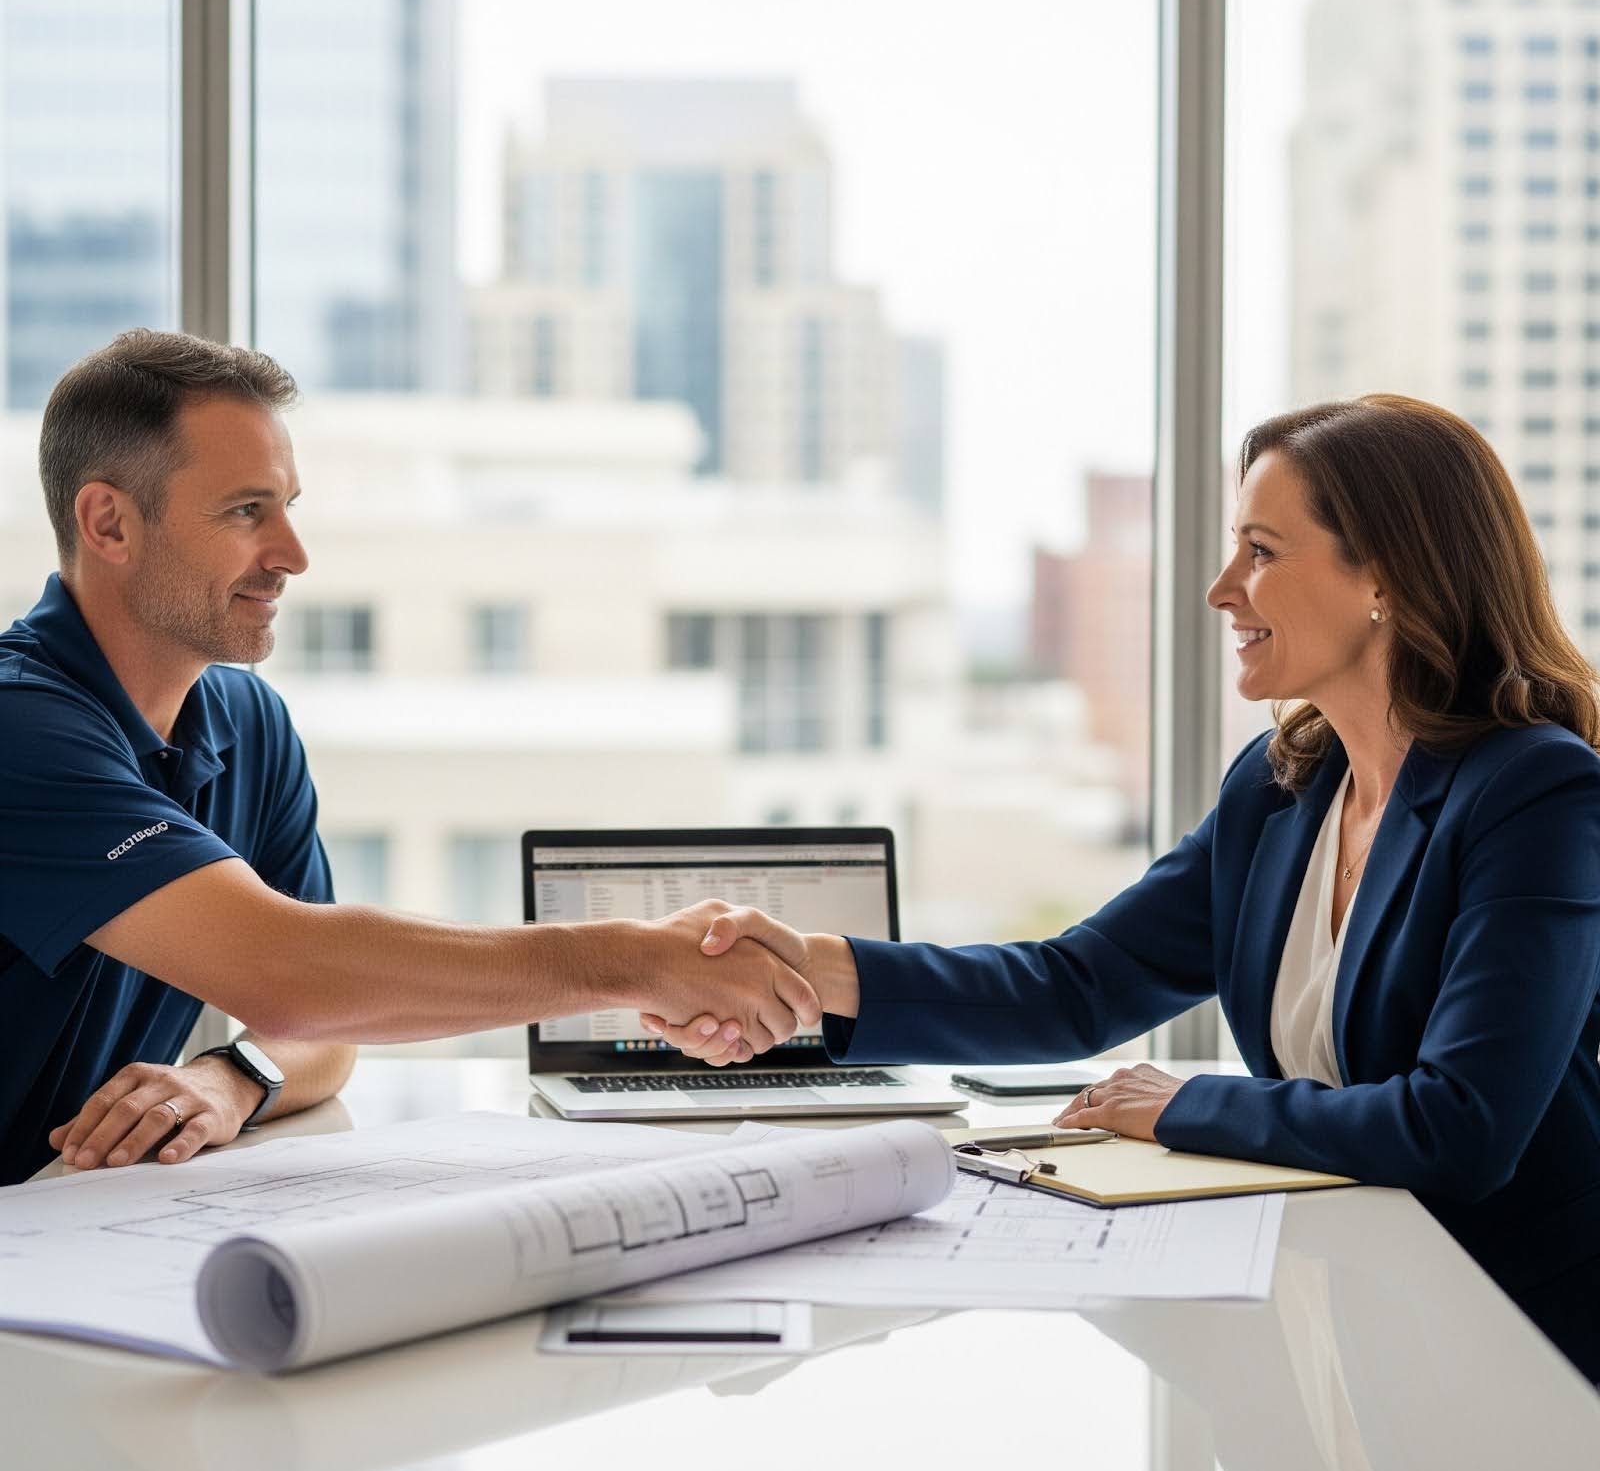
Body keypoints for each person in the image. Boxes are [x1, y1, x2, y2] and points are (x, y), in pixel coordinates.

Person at [648, 395, 1600, 1383]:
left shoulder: (1530, 791)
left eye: (1261, 551)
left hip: (1514, 1338)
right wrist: (809, 969)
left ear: (1387, 578)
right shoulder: (1281, 789)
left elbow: (1458, 1130)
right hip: (1349, 1308)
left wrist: (1189, 1099)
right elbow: (1079, 985)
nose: (1222, 589)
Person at [0, 329, 817, 1186]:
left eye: (288, 505)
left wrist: (232, 1077)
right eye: (246, 511)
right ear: (109, 523)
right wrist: (637, 960)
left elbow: (331, 1021)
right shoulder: (20, 726)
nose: (292, 554)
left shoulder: (247, 721)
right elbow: (293, 974)